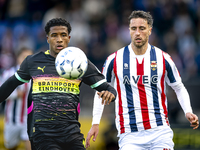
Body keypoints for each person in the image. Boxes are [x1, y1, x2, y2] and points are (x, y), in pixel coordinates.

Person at [86, 10, 199, 150]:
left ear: (150, 30)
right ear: (129, 30)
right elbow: (101, 91)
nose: (137, 33)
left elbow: (179, 87)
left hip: (159, 131)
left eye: (142, 28)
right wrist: (95, 122)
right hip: (129, 134)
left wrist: (187, 111)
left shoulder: (163, 58)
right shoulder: (114, 59)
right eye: (134, 28)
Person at [0, 18, 117, 150]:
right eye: (54, 35)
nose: (59, 39)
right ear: (47, 38)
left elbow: (108, 89)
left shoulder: (80, 62)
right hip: (42, 134)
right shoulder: (32, 62)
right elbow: (10, 84)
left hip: (72, 134)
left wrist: (110, 94)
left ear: (69, 37)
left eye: (63, 35)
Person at [1, 47, 33, 150]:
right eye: (24, 57)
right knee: (11, 146)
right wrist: (15, 94)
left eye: (29, 57)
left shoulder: (36, 76)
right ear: (18, 58)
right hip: (12, 120)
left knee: (30, 144)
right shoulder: (8, 73)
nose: (26, 60)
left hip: (29, 119)